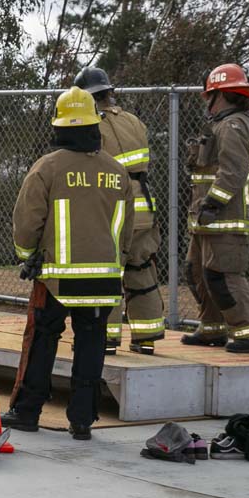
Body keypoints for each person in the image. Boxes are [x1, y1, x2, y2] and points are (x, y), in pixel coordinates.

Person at [5, 87, 134, 439]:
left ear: (60, 128)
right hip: (103, 280)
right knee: (92, 343)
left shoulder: (47, 168)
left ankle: (27, 411)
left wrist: (26, 256)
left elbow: (26, 222)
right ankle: (82, 421)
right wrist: (115, 264)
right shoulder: (117, 172)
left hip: (55, 279)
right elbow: (126, 231)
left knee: (43, 338)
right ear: (94, 126)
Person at [75, 67, 165, 355]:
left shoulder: (91, 126)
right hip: (143, 208)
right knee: (141, 270)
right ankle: (146, 338)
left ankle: (106, 338)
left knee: (108, 273)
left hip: (113, 209)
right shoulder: (134, 122)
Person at [181, 63, 249, 353]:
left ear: (221, 94)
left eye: (209, 95)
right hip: (206, 216)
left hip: (224, 217)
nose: (206, 100)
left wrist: (213, 203)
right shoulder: (221, 124)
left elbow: (233, 172)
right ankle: (212, 328)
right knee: (197, 273)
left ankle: (248, 333)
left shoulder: (233, 126)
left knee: (223, 275)